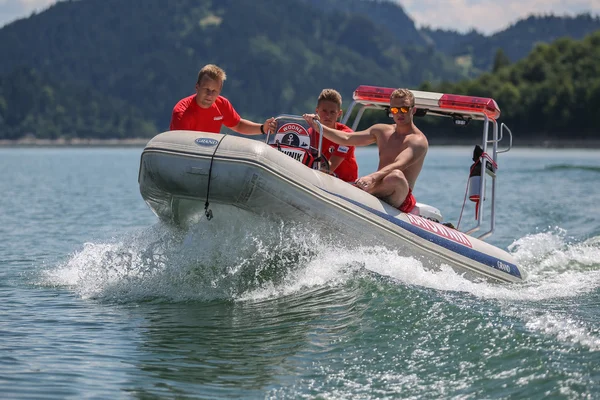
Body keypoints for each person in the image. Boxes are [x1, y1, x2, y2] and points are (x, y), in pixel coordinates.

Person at [303, 88, 428, 213]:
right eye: (395, 109)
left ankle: (355, 193)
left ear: (413, 110)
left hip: (399, 195)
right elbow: (347, 138)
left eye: (404, 109)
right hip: (376, 187)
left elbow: (399, 164)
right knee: (389, 177)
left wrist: (371, 178)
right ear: (391, 110)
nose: (400, 113)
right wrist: (318, 127)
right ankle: (357, 193)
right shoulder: (381, 131)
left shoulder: (418, 140)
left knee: (396, 176)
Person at [170, 64, 277, 135]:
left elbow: (238, 125)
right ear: (197, 87)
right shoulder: (182, 111)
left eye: (214, 91)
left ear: (219, 92)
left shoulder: (222, 104)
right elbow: (180, 146)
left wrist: (263, 128)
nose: (209, 95)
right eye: (206, 89)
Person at [308, 89, 358, 183]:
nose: (328, 116)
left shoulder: (346, 135)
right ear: (317, 110)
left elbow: (330, 167)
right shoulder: (310, 133)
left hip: (345, 183)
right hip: (320, 180)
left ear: (339, 114)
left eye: (332, 112)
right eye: (324, 111)